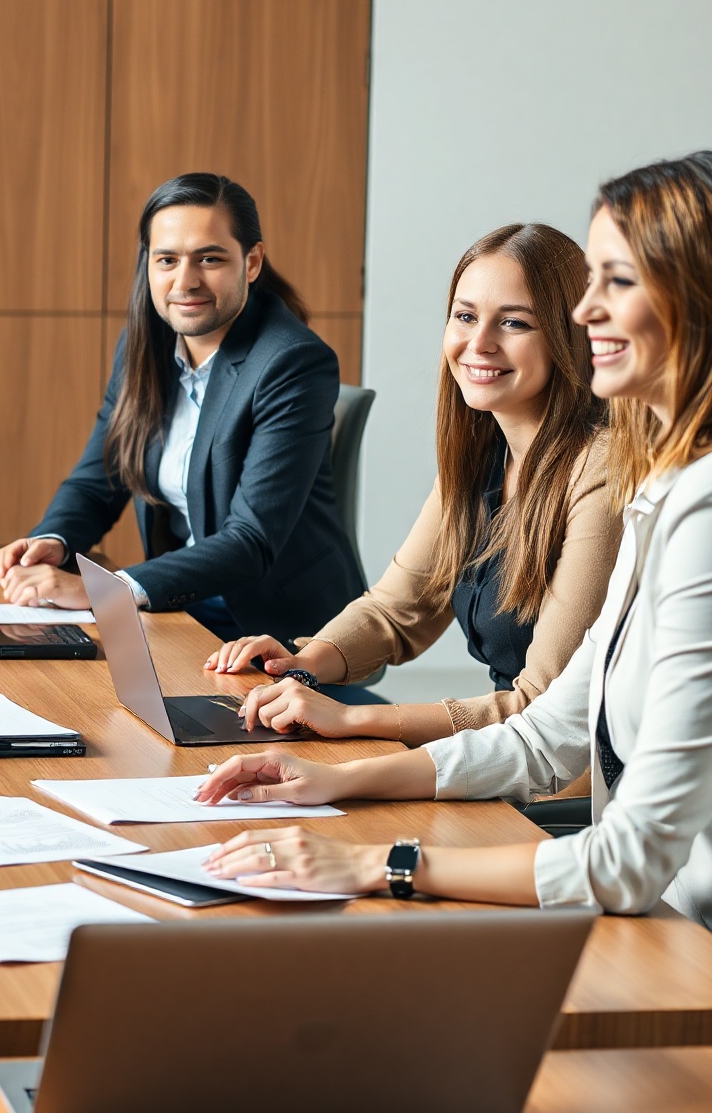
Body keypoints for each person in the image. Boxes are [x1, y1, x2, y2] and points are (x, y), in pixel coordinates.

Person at [196, 153, 712, 952]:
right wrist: (336, 778)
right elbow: (550, 731)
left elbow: (627, 859)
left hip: (709, 947)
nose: (587, 310)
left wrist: (376, 864)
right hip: (662, 928)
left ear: (711, 302)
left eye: (617, 282)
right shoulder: (667, 480)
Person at [203, 224, 619, 744]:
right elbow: (398, 609)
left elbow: (542, 708)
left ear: (569, 337)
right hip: (505, 752)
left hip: (570, 772)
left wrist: (352, 719)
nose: (479, 343)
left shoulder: (601, 470)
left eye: (513, 323)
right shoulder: (480, 456)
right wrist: (300, 666)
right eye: (465, 317)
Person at [0, 172, 360, 639]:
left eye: (209, 258)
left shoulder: (293, 362)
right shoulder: (144, 347)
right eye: (167, 259)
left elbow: (250, 541)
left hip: (276, 625)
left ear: (251, 262)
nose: (184, 281)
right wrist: (53, 540)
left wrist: (106, 590)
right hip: (178, 605)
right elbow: (100, 478)